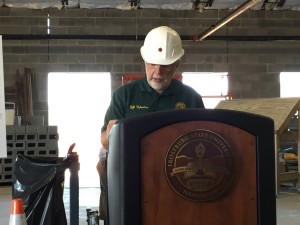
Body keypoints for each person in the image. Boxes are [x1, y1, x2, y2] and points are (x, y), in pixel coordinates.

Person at [97, 25, 205, 222]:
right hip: (132, 173)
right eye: (152, 64)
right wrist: (110, 135)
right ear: (145, 61)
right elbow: (104, 141)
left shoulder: (191, 98)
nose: (157, 71)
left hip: (176, 176)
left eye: (165, 66)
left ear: (177, 64)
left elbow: (203, 142)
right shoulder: (125, 95)